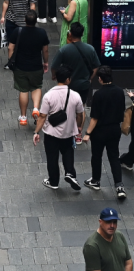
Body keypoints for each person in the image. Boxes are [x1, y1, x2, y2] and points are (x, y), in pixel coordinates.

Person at [33, 66, 85, 191]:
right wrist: (78, 127)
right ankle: (70, 173)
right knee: (68, 153)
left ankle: (53, 181)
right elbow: (80, 114)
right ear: (68, 79)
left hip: (51, 133)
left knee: (52, 158)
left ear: (56, 78)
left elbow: (42, 116)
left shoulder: (48, 96)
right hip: (68, 132)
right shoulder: (75, 96)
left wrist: (36, 132)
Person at [84, 67, 128, 198]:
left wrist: (88, 133)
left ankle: (96, 181)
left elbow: (94, 118)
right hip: (115, 129)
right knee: (114, 156)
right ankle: (119, 186)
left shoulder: (99, 94)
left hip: (100, 131)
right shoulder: (120, 92)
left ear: (100, 79)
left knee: (96, 156)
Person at [11, 11, 50, 126]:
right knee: (36, 87)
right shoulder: (41, 33)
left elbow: (10, 48)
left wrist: (10, 61)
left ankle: (23, 117)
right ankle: (36, 109)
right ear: (36, 20)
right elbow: (45, 50)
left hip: (20, 66)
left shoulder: (18, 31)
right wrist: (46, 62)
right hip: (36, 66)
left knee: (23, 90)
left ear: (25, 20)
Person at [52, 22, 100, 106]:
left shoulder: (64, 50)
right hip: (84, 84)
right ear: (82, 34)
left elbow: (54, 66)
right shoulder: (90, 49)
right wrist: (90, 78)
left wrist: (54, 75)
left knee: (67, 106)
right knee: (81, 106)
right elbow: (96, 66)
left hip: (68, 84)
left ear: (70, 34)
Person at [1, 0, 38, 64]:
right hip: (11, 19)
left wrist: (31, 18)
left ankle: (22, 59)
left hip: (24, 20)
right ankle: (11, 62)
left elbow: (32, 4)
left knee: (23, 42)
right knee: (10, 42)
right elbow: (6, 2)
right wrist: (3, 16)